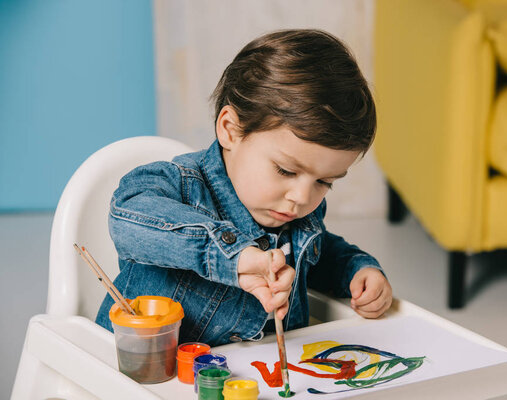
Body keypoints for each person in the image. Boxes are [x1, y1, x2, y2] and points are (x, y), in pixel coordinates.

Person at [96, 29, 392, 346]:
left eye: (324, 182)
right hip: (148, 372)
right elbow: (129, 216)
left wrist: (359, 273)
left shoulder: (296, 212)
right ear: (231, 131)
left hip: (253, 379)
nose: (302, 197)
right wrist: (233, 257)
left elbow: (319, 253)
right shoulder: (182, 185)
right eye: (286, 170)